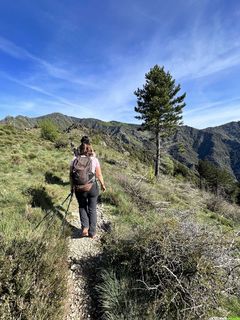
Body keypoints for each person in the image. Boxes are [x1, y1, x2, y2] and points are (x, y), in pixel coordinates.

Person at [70, 136, 106, 239]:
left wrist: (72, 187)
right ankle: (92, 232)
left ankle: (85, 228)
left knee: (82, 206)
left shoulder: (74, 160)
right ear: (90, 149)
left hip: (79, 188)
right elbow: (99, 175)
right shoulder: (94, 159)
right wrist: (103, 185)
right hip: (91, 188)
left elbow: (71, 176)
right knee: (92, 209)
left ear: (79, 150)